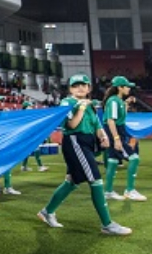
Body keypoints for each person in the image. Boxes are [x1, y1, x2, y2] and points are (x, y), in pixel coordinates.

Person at [37, 74, 131, 234]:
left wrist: (103, 135)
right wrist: (80, 107)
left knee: (72, 181)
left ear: (89, 88)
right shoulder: (67, 102)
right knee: (95, 180)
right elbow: (72, 124)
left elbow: (97, 124)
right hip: (75, 141)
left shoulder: (90, 104)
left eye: (83, 85)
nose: (80, 88)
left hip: (86, 143)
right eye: (76, 85)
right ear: (70, 89)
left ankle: (47, 212)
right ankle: (107, 224)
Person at [102, 75, 146, 202]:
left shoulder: (118, 101)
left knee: (113, 161)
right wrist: (116, 139)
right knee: (134, 158)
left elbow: (120, 117)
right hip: (115, 133)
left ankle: (108, 191)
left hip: (116, 132)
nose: (129, 89)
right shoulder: (113, 101)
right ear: (120, 88)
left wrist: (125, 104)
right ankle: (130, 190)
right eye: (127, 86)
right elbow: (111, 120)